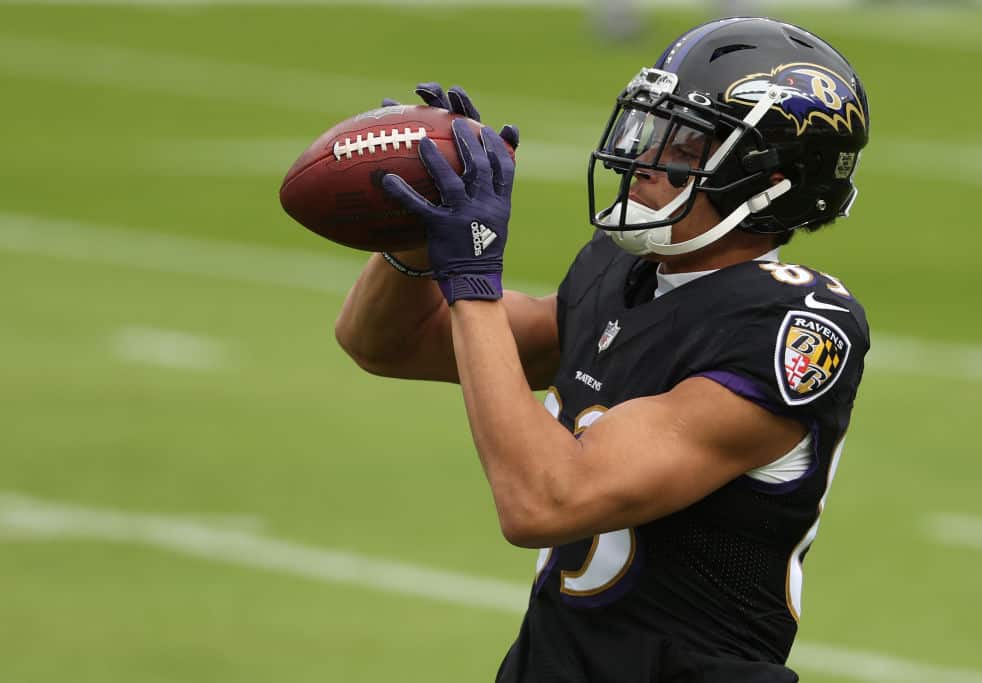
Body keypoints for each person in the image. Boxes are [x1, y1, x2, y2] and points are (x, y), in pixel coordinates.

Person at [335, 17, 870, 683]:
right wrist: (420, 226)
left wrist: (470, 276)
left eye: (684, 145)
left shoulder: (790, 324)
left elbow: (543, 501)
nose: (643, 157)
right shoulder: (623, 272)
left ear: (769, 181)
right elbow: (386, 342)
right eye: (650, 127)